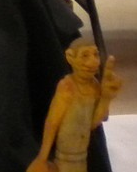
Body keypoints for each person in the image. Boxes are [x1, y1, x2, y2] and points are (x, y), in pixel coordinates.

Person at [26, 39, 121, 172]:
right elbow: (52, 123)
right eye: (85, 55)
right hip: (64, 159)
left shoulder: (94, 86)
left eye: (96, 54)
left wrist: (106, 98)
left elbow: (92, 124)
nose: (93, 62)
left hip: (81, 157)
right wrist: (42, 158)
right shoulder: (67, 87)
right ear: (70, 57)